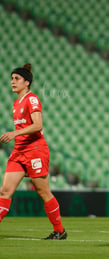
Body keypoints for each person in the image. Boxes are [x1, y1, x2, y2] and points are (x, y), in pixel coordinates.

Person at [0, 63, 67, 240]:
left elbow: (38, 125)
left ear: (27, 82)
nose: (12, 82)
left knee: (43, 192)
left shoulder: (32, 99)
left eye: (17, 79)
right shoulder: (15, 104)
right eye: (12, 78)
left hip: (35, 150)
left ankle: (60, 231)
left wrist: (15, 133)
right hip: (19, 152)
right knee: (5, 191)